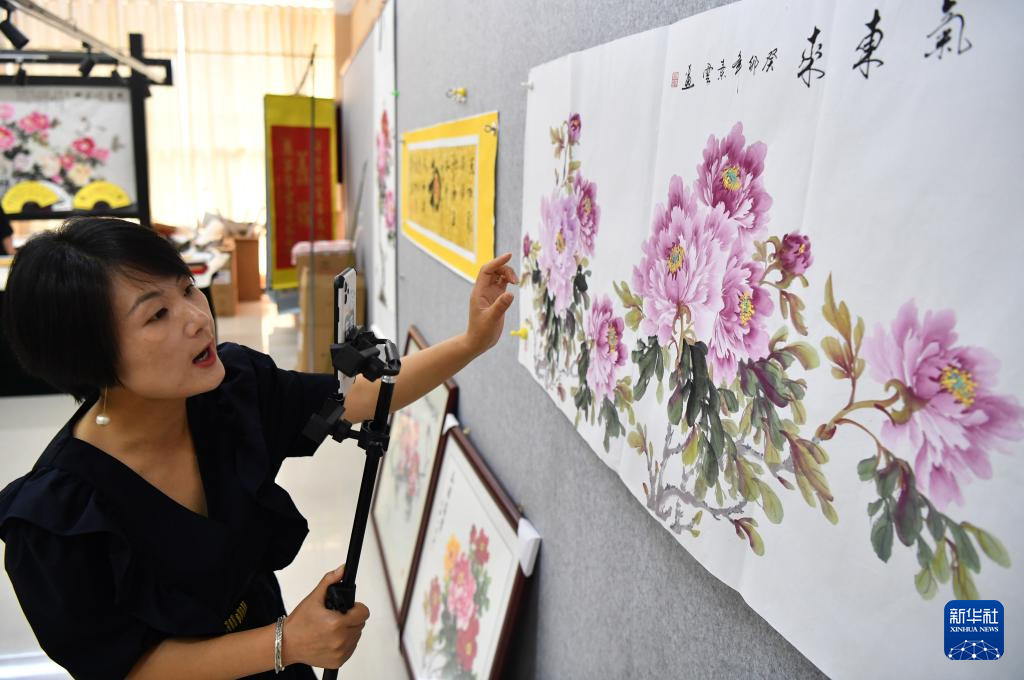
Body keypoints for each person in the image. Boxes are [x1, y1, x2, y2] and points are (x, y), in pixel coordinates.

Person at [0, 217, 518, 679]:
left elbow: (356, 399)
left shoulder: (230, 391)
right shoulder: (55, 523)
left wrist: (471, 341)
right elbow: (127, 668)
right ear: (89, 355)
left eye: (188, 288)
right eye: (157, 315)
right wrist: (286, 643)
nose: (197, 317)